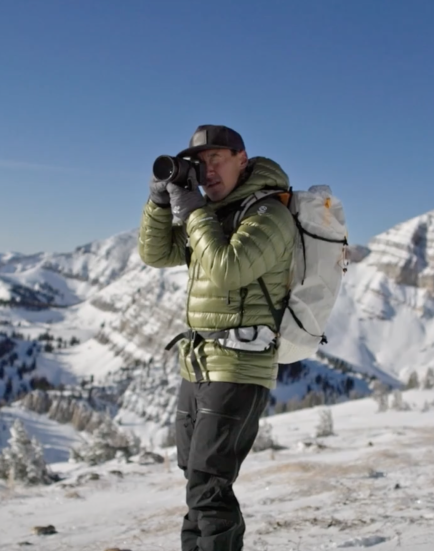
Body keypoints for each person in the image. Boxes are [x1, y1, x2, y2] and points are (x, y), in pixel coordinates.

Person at [137, 124, 297, 551]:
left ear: (242, 160)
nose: (207, 172)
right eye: (199, 163)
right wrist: (158, 200)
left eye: (216, 160)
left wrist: (192, 213)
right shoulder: (215, 217)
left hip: (240, 365)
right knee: (196, 479)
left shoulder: (269, 214)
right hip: (199, 361)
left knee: (209, 484)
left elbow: (228, 269)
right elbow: (154, 253)